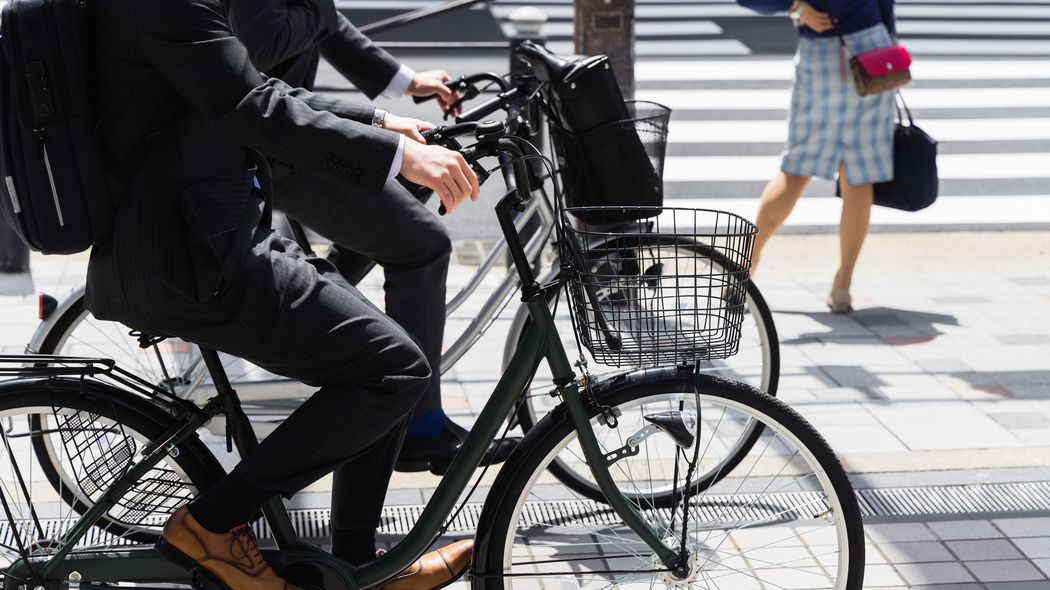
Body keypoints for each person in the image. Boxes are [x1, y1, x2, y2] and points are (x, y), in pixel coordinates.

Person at [87, 0, 480, 587]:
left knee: (386, 351)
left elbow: (243, 82)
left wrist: (377, 123)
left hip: (210, 225)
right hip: (190, 249)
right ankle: (213, 525)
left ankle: (356, 566)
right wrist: (397, 154)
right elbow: (248, 103)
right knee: (393, 368)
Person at [227, 0, 519, 475]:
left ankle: (331, 334)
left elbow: (321, 23)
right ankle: (417, 426)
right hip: (274, 141)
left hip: (290, 129)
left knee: (382, 229)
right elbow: (263, 40)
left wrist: (406, 81)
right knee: (423, 245)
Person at [739, 0, 897, 313]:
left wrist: (796, 6)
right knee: (858, 172)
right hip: (872, 45)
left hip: (821, 50)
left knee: (796, 168)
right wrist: (890, 43)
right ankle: (843, 285)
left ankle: (744, 272)